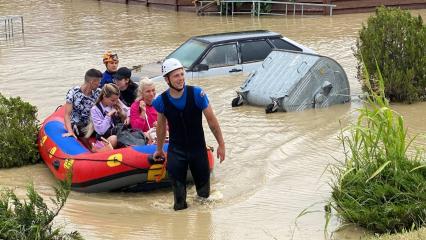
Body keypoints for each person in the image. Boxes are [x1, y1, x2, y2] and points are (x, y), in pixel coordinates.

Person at [153, 58, 225, 211]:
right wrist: (159, 150)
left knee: (204, 200)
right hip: (176, 152)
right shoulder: (161, 101)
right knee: (179, 205)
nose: (180, 79)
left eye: (181, 74)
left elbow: (212, 122)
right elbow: (160, 128)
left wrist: (221, 145)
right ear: (167, 79)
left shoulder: (197, 94)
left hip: (198, 151)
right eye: (176, 76)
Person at [63, 68, 103, 139]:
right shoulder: (73, 92)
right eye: (98, 82)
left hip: (92, 123)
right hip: (77, 124)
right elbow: (67, 114)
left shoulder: (99, 92)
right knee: (81, 128)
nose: (99, 84)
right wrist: (70, 131)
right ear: (92, 82)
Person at [89, 83, 129, 149]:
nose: (115, 102)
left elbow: (128, 110)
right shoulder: (95, 109)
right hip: (105, 137)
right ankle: (99, 148)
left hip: (118, 132)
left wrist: (126, 116)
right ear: (104, 96)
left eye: (117, 99)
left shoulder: (116, 101)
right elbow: (101, 130)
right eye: (113, 100)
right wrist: (109, 115)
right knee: (114, 139)